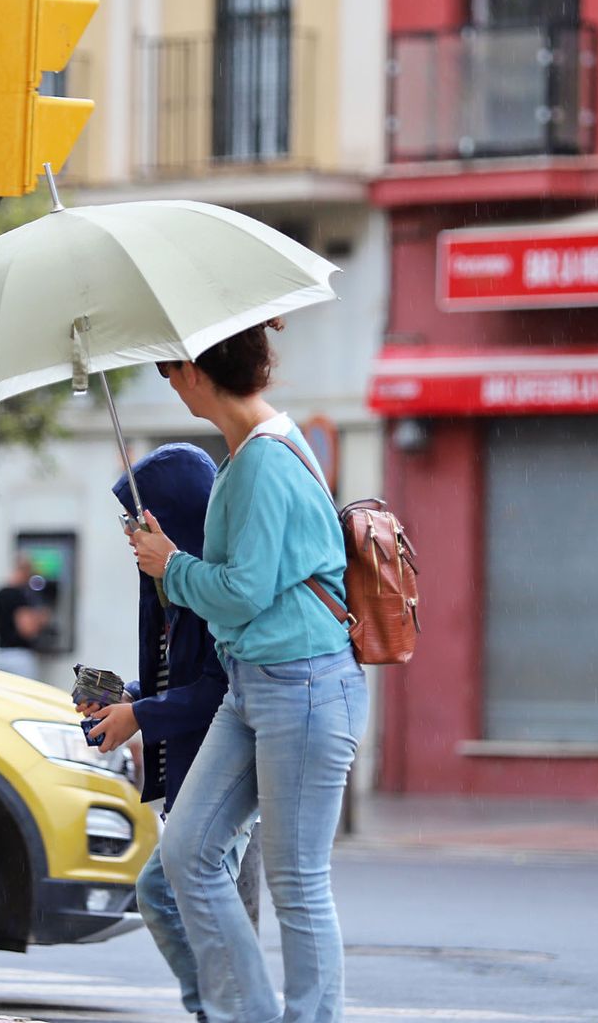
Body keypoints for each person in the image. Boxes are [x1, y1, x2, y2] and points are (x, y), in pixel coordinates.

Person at [130, 321, 368, 1023]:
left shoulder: (263, 460)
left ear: (197, 371)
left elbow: (244, 591)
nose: (169, 386)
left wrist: (170, 566)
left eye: (169, 371)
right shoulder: (249, 453)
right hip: (255, 687)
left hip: (302, 687)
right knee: (188, 852)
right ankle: (248, 1014)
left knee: (297, 884)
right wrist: (173, 563)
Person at [78, 442, 258, 1023]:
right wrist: (127, 698)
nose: (130, 532)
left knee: (171, 894)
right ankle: (225, 1011)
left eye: (137, 518)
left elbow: (218, 687)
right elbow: (173, 671)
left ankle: (225, 1013)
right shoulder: (162, 582)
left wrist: (142, 717)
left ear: (172, 514)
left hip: (225, 763)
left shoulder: (211, 582)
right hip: (194, 763)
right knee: (198, 903)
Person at [0, 554, 50, 678]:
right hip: (20, 657)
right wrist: (40, 619)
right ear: (26, 571)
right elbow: (26, 629)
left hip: (0, 654)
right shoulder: (20, 595)